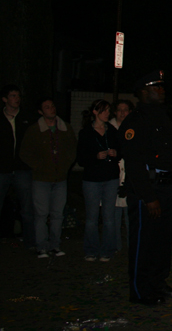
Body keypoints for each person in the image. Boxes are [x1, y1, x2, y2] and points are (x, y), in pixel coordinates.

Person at [118, 70, 172, 305]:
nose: (162, 90)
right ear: (144, 92)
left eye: (162, 86)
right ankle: (139, 290)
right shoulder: (136, 121)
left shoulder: (162, 117)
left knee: (162, 241)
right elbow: (134, 164)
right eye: (157, 87)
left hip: (167, 186)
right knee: (144, 242)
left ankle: (157, 283)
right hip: (149, 189)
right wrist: (148, 196)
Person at [20, 96, 78, 258]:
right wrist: (38, 166)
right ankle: (41, 246)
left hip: (60, 179)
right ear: (40, 111)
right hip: (41, 179)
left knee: (57, 214)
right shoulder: (34, 130)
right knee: (41, 214)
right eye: (47, 107)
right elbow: (25, 152)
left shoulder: (65, 128)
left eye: (52, 106)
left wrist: (65, 166)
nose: (51, 109)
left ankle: (55, 245)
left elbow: (72, 149)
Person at [77, 99, 121, 262]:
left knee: (109, 217)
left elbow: (121, 150)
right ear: (95, 112)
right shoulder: (86, 133)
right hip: (92, 179)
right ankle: (91, 249)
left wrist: (116, 153)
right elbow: (81, 158)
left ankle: (107, 249)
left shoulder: (112, 130)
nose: (107, 114)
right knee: (92, 217)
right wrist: (95, 156)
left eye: (108, 110)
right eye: (104, 110)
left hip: (110, 177)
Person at [0, 84, 36, 251]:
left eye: (18, 96)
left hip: (22, 169)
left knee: (27, 208)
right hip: (3, 169)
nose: (17, 99)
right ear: (5, 99)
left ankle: (30, 242)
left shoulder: (26, 118)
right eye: (13, 96)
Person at [109, 99, 133, 253]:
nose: (123, 113)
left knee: (130, 215)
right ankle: (115, 245)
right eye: (120, 109)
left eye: (126, 110)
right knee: (114, 214)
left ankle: (132, 246)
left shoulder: (133, 128)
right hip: (112, 175)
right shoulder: (109, 128)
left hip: (129, 175)